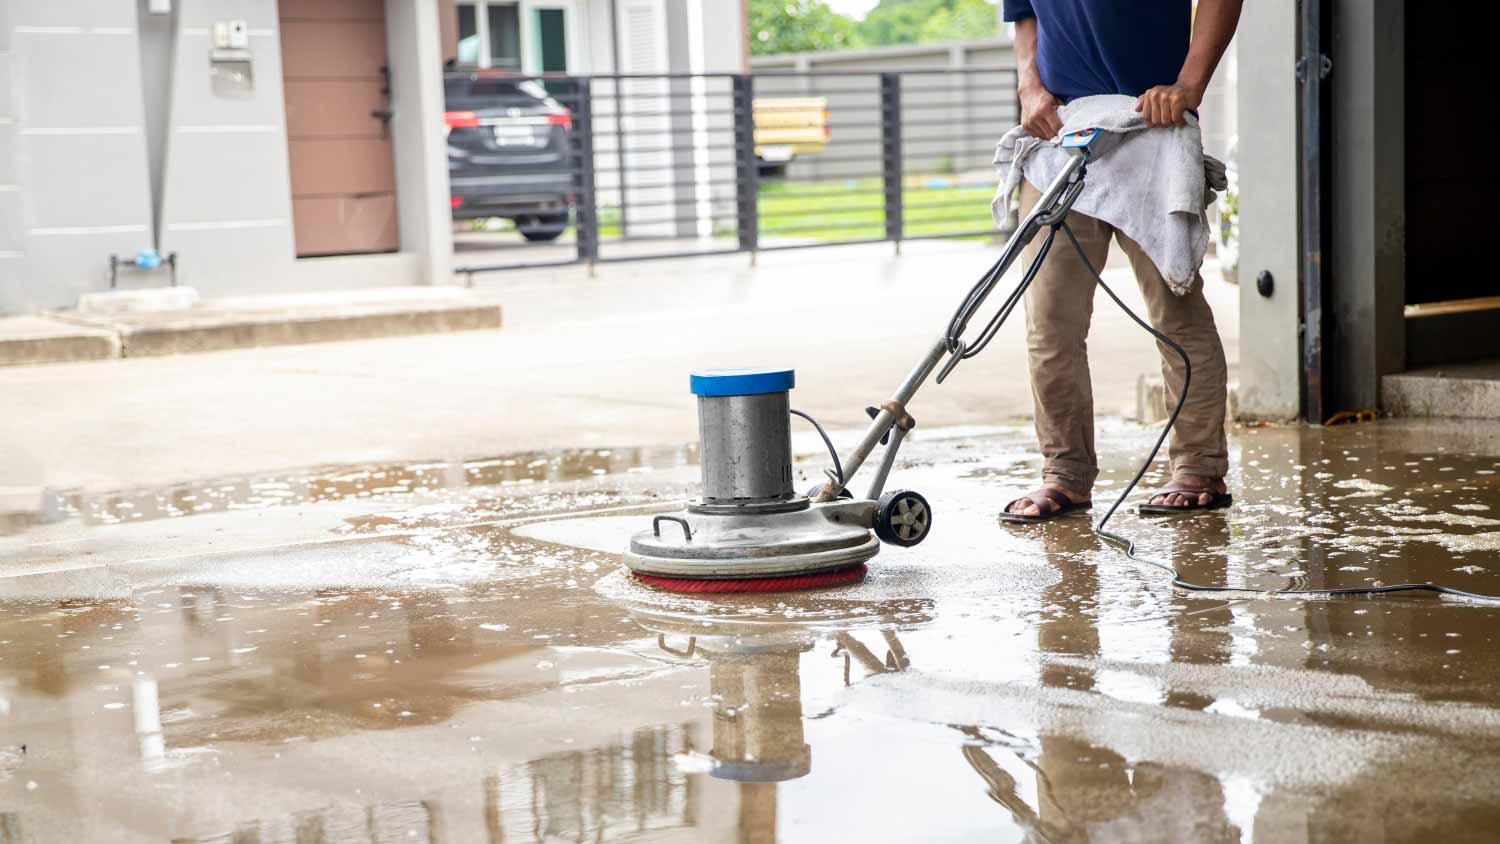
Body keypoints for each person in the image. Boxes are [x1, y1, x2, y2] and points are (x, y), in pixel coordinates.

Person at [1000, 0, 1243, 521]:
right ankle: (1064, 474)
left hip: (1154, 122)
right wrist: (1029, 88)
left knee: (1176, 312)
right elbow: (1025, 17)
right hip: (1062, 135)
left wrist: (1190, 84)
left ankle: (1199, 466)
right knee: (1049, 323)